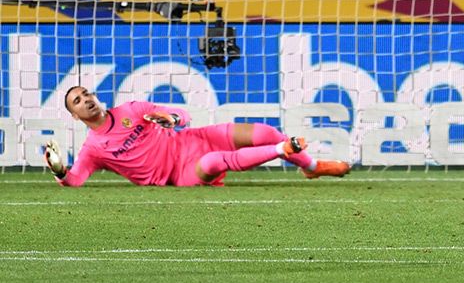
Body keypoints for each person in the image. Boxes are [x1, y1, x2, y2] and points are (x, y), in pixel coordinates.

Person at [43, 85, 351, 187]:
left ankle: (312, 167)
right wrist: (59, 169)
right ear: (75, 115)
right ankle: (283, 149)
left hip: (192, 139)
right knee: (218, 161)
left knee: (264, 131)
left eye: (87, 94)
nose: (87, 100)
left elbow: (182, 116)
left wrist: (171, 118)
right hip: (181, 172)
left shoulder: (132, 109)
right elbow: (76, 179)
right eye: (78, 101)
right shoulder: (93, 149)